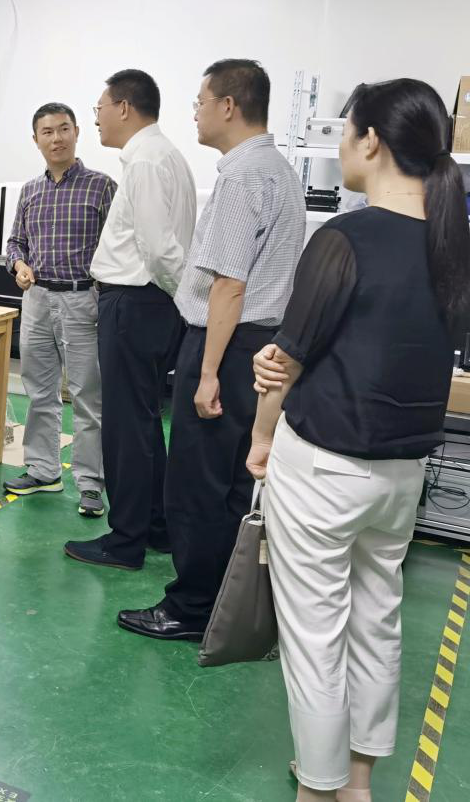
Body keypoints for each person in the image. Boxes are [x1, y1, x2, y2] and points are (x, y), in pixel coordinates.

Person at [246, 79, 470, 802]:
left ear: (370, 141)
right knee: (376, 621)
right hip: (402, 473)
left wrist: (260, 436)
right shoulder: (451, 247)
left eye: (346, 132)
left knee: (315, 637)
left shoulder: (344, 238)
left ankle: (317, 788)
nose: (342, 144)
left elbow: (285, 360)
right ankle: (358, 782)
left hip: (323, 465)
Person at [117, 59, 305, 636]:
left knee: (197, 484)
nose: (194, 112)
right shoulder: (280, 170)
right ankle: (223, 599)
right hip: (262, 343)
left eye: (200, 101)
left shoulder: (242, 176)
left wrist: (206, 373)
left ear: (228, 105)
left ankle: (191, 608)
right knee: (234, 484)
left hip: (227, 342)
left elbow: (229, 285)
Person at [62, 69, 196, 568]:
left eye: (99, 108)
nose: (96, 118)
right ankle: (156, 528)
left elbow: (159, 249)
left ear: (123, 107)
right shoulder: (167, 156)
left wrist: (184, 300)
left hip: (136, 303)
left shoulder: (145, 161)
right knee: (142, 423)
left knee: (125, 428)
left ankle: (125, 541)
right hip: (150, 304)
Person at [3, 102, 117, 517]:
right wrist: (18, 265)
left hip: (82, 299)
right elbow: (15, 242)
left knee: (87, 395)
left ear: (77, 132)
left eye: (64, 129)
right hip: (36, 300)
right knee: (39, 390)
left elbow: (119, 246)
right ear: (36, 140)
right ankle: (43, 470)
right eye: (47, 132)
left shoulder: (102, 187)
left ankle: (90, 484)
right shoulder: (30, 191)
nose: (57, 138)